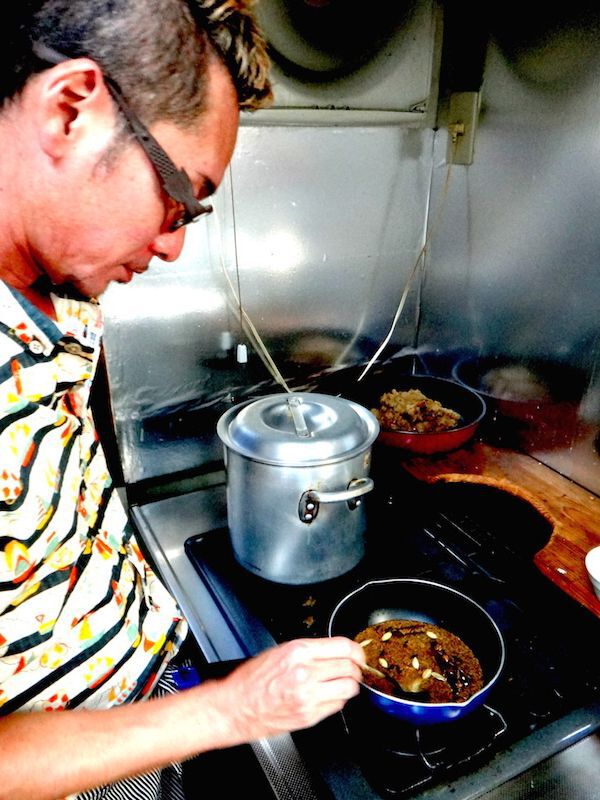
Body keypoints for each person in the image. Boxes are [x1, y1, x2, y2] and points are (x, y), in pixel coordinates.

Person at [0, 2, 366, 798]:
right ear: (70, 110)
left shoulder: (59, 286)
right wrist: (234, 708)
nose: (172, 245)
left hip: (151, 687)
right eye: (179, 197)